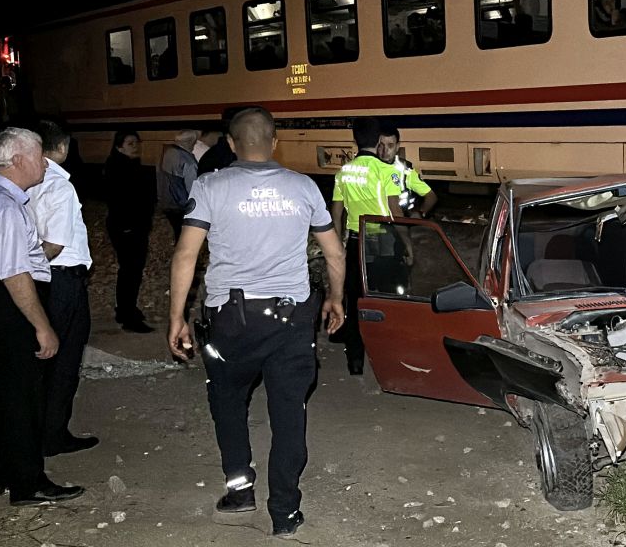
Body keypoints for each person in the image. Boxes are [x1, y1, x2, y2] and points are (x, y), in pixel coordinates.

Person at [167, 107, 345, 538]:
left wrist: (176, 318)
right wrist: (336, 299)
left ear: (230, 143)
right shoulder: (303, 187)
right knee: (288, 412)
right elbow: (335, 253)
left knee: (227, 402)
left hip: (231, 320)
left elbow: (186, 255)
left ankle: (240, 491)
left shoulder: (210, 185)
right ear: (275, 141)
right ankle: (284, 511)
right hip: (291, 318)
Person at [0, 128, 85, 506]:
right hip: (6, 304)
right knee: (24, 396)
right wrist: (43, 327)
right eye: (36, 155)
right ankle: (28, 483)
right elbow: (15, 273)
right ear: (17, 161)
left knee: (0, 393)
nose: (44, 162)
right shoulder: (5, 206)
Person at [25, 121, 99, 456]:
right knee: (65, 359)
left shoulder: (25, 183)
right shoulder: (58, 185)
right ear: (64, 147)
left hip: (44, 280)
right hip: (62, 278)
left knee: (44, 361)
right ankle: (53, 435)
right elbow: (53, 245)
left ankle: (38, 430)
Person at [330, 119, 410, 375]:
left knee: (354, 299)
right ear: (378, 141)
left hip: (356, 241)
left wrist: (338, 245)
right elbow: (395, 210)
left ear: (355, 140)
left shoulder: (344, 172)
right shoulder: (386, 171)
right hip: (383, 241)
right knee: (385, 299)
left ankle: (355, 360)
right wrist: (407, 242)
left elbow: (336, 213)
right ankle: (388, 358)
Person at [104, 130, 155, 333]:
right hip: (127, 226)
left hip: (132, 226)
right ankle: (127, 315)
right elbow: (120, 200)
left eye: (137, 142)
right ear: (119, 146)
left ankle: (126, 308)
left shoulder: (127, 165)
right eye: (130, 143)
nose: (136, 146)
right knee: (130, 270)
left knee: (131, 270)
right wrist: (128, 226)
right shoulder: (120, 167)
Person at [377, 124, 438, 218]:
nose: (385, 151)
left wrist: (420, 213)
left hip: (398, 221)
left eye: (390, 145)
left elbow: (431, 196)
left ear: (397, 147)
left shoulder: (404, 169)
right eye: (381, 146)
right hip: (374, 223)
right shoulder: (369, 167)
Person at [158, 129, 199, 240]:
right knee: (184, 236)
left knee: (178, 232)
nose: (195, 144)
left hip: (166, 202)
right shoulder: (188, 162)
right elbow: (192, 188)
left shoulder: (168, 152)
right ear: (190, 142)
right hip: (180, 206)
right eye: (195, 142)